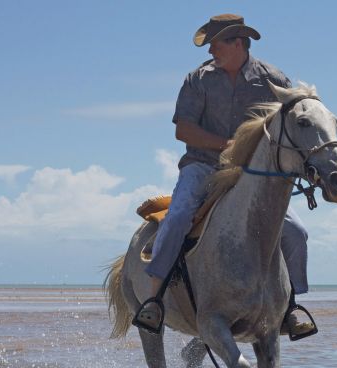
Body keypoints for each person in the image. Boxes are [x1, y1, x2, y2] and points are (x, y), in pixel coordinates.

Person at [133, 14, 315, 338]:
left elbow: (292, 125)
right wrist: (225, 144)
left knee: (296, 232)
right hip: (202, 166)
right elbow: (183, 130)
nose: (210, 52)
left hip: (253, 173)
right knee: (176, 218)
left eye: (215, 44)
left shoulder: (273, 79)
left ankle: (291, 307)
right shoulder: (198, 80)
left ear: (238, 43)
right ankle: (154, 300)